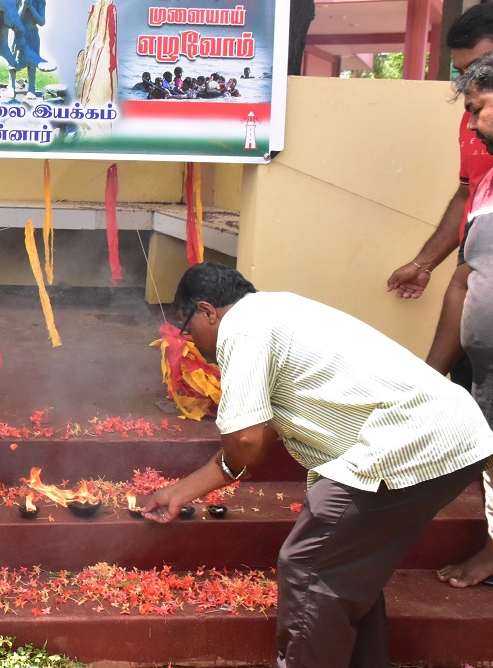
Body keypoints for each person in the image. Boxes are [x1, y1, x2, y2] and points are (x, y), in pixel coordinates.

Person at [140, 262, 493, 668]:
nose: (190, 342)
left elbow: (246, 442)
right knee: (347, 570)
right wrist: (179, 492)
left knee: (309, 566)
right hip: (454, 437)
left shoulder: (242, 328)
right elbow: (259, 438)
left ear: (207, 311)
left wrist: (234, 454)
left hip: (404, 441)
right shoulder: (277, 311)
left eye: (187, 329)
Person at [430, 52, 493, 589]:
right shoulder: (486, 185)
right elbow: (464, 279)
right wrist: (431, 374)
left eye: (478, 109)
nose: (470, 126)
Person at [387, 3, 493, 303]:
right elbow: (467, 194)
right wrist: (423, 263)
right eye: (461, 72)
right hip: (474, 272)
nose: (468, 82)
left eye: (479, 68)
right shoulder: (473, 120)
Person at [10, 0, 46, 98]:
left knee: (32, 61)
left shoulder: (40, 0)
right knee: (13, 60)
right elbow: (14, 21)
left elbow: (41, 21)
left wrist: (31, 7)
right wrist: (24, 7)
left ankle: (31, 87)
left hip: (32, 34)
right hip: (16, 34)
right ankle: (11, 86)